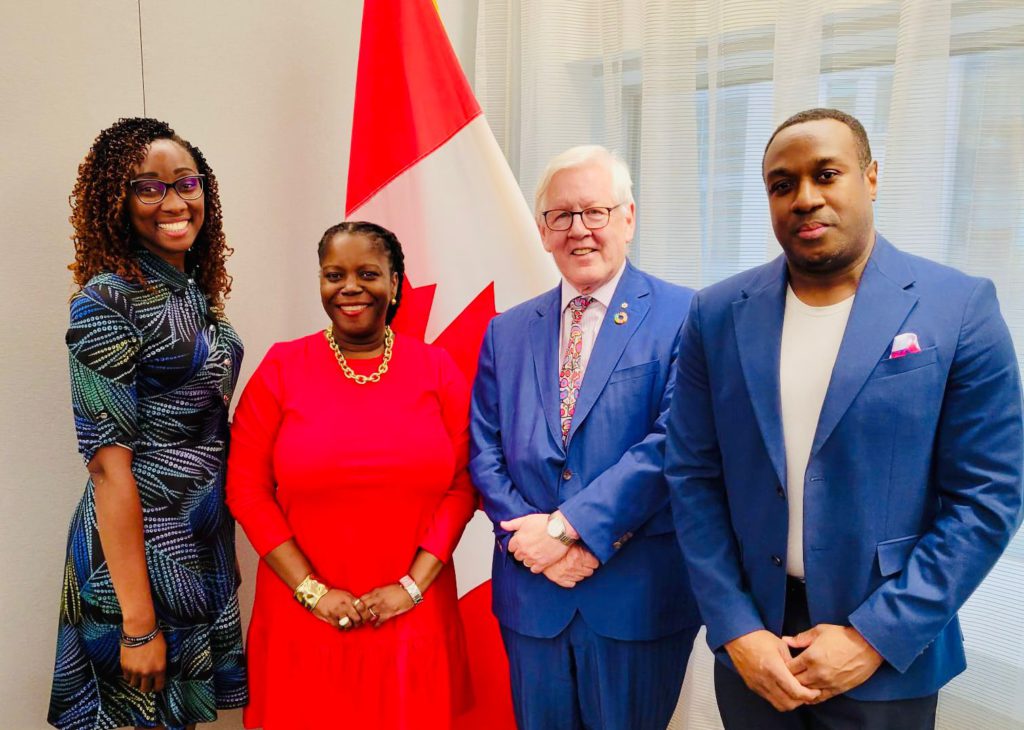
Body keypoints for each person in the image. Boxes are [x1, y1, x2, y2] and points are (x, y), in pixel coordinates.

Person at [666, 108, 1024, 729]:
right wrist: (735, 627)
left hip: (887, 652)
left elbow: (989, 495)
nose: (805, 198)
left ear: (871, 177)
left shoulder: (960, 308)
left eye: (826, 174)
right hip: (756, 649)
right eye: (783, 184)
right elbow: (693, 477)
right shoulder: (716, 314)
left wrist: (875, 636)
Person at [470, 145, 701, 730]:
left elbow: (673, 442)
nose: (579, 229)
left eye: (595, 212)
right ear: (543, 230)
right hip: (532, 596)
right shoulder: (506, 331)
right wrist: (536, 546)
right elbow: (485, 451)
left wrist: (565, 530)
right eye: (561, 215)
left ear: (628, 218)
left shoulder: (686, 315)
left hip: (635, 594)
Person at [226, 221, 476, 729]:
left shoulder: (437, 370)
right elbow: (246, 490)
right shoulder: (281, 368)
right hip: (304, 619)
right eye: (334, 275)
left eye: (368, 273)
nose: (350, 287)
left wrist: (412, 587)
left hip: (413, 616)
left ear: (395, 283)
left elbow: (465, 483)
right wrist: (312, 591)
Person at [48, 117, 247, 730]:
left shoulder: (189, 291)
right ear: (117, 201)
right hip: (139, 554)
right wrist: (137, 625)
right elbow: (108, 470)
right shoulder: (106, 301)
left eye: (186, 182)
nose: (175, 202)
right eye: (149, 187)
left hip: (196, 541)